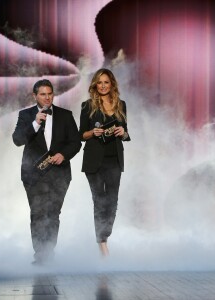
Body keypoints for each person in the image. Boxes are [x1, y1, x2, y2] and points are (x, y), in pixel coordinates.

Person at [12, 79, 81, 265]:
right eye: (43, 94)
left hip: (59, 173)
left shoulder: (65, 115)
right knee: (38, 212)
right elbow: (17, 140)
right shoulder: (26, 115)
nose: (47, 97)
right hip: (33, 174)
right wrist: (34, 124)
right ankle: (40, 256)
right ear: (35, 96)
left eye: (50, 93)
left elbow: (75, 142)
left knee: (53, 214)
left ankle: (49, 254)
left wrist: (63, 155)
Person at [79, 68, 130, 257]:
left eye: (106, 82)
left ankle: (103, 235)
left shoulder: (121, 105)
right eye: (99, 82)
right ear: (95, 85)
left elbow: (126, 132)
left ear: (112, 84)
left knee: (112, 201)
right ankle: (102, 244)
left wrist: (122, 133)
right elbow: (80, 134)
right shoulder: (87, 105)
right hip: (94, 161)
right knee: (99, 201)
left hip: (114, 159)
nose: (102, 86)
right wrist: (92, 133)